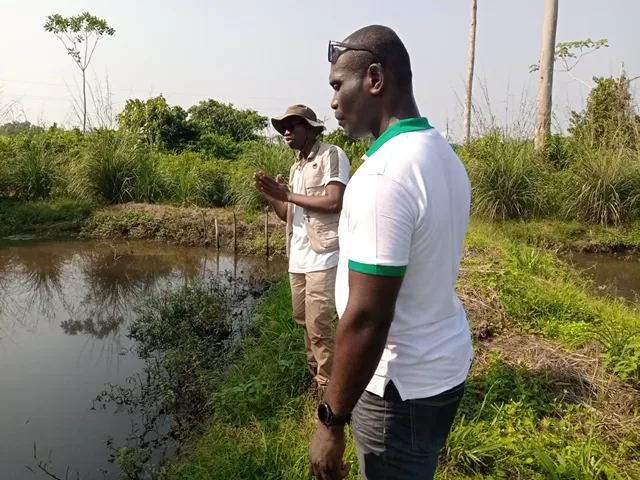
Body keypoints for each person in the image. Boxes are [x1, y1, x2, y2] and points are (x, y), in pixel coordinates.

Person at [308, 26, 474, 480]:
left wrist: (331, 422)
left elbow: (368, 316)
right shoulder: (442, 155)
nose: (333, 101)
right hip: (441, 369)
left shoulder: (383, 177)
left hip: (397, 389)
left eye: (338, 86)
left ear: (375, 79)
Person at [254, 104, 350, 393]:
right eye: (283, 126)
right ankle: (316, 377)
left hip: (324, 254)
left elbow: (335, 201)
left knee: (320, 326)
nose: (286, 131)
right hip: (299, 257)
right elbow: (288, 213)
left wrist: (289, 194)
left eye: (293, 125)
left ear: (310, 128)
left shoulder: (331, 155)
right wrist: (272, 195)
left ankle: (329, 389)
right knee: (304, 322)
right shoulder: (297, 166)